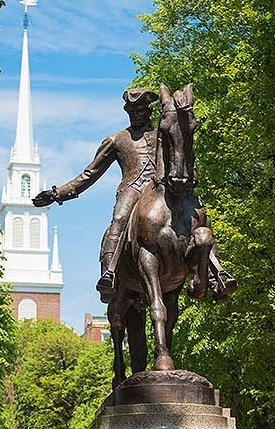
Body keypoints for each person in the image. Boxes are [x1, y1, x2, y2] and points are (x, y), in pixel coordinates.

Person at [34, 88, 235, 302]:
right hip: (133, 188)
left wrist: (191, 174)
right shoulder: (117, 140)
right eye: (132, 110)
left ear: (150, 110)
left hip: (164, 188)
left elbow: (182, 152)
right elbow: (89, 174)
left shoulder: (164, 131)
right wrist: (57, 194)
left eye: (141, 109)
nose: (137, 114)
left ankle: (215, 276)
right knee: (119, 220)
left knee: (199, 215)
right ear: (127, 111)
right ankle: (109, 274)